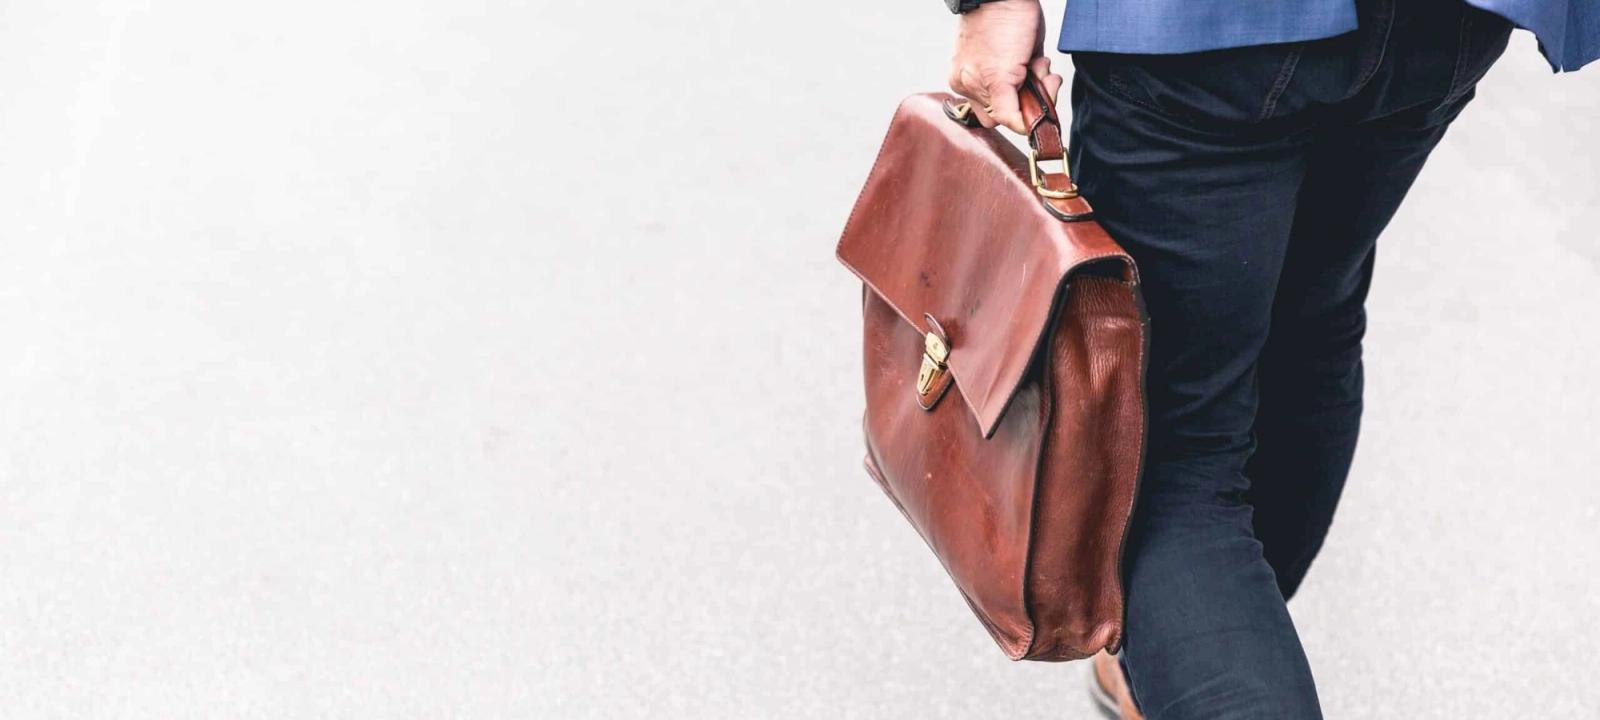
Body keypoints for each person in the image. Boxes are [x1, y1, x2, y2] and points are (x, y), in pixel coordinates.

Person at [943, 0, 1596, 717]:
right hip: (1446, 26)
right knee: (1311, 321)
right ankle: (1207, 638)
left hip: (1204, 32)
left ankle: (1210, 645)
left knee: (1165, 453)